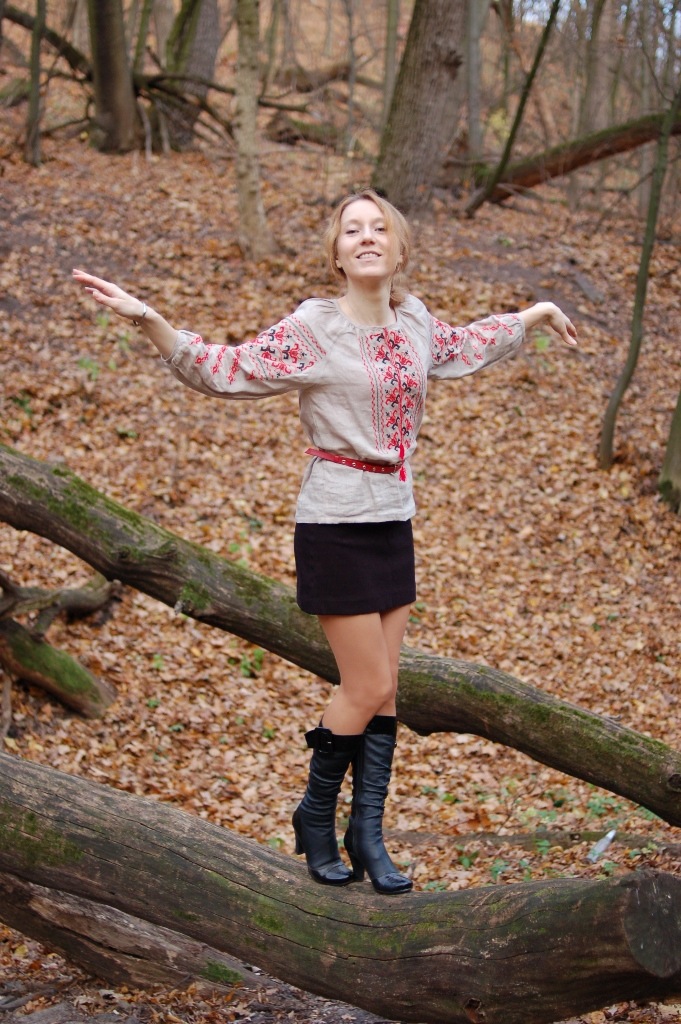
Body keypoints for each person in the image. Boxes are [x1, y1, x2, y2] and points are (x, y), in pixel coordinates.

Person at [73, 188, 577, 896]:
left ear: (399, 249)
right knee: (366, 684)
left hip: (392, 518)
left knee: (386, 690)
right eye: (352, 230)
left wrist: (535, 313)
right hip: (334, 522)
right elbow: (225, 369)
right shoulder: (315, 326)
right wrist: (151, 319)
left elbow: (469, 344)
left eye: (380, 228)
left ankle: (367, 833)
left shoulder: (414, 323)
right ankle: (313, 816)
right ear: (336, 254)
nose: (366, 237)